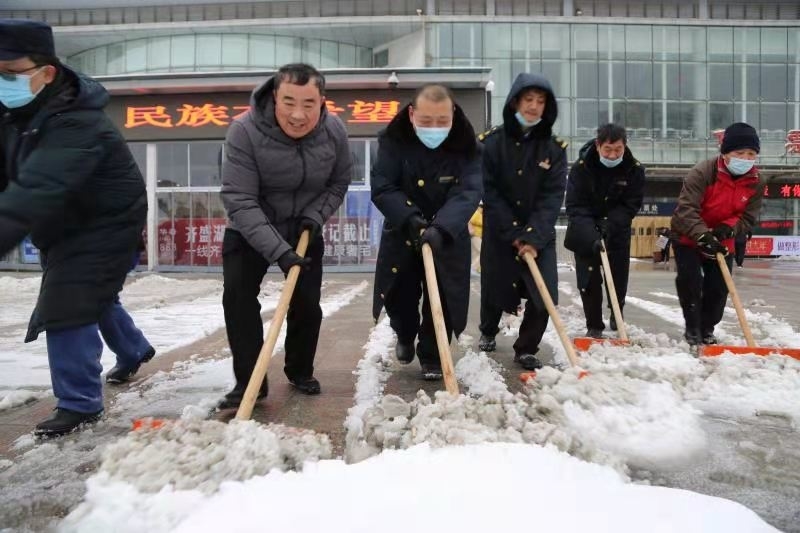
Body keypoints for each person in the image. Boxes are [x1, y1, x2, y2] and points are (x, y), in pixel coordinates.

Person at [0, 20, 152, 436]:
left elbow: (34, 190)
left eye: (9, 71)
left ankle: (79, 403)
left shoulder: (78, 122)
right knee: (93, 295)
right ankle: (135, 348)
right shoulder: (14, 116)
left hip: (108, 223)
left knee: (66, 301)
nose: (1, 81)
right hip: (62, 224)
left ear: (46, 72)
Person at [219, 63, 352, 408]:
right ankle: (250, 382)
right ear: (274, 97)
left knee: (307, 303)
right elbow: (240, 200)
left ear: (322, 101)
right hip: (250, 228)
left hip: (304, 226)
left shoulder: (334, 131)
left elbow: (338, 183)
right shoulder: (244, 131)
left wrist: (315, 215)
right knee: (238, 299)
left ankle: (300, 370)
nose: (297, 114)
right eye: (288, 102)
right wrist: (279, 251)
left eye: (309, 104)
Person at [371, 84, 482, 380]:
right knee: (400, 296)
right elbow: (383, 186)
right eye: (426, 121)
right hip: (403, 230)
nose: (435, 128)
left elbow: (468, 192)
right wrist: (411, 218)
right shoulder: (393, 142)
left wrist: (441, 226)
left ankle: (433, 356)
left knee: (444, 297)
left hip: (448, 235)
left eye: (442, 121)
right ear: (412, 114)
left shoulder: (467, 146)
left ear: (453, 114)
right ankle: (405, 334)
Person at [477, 73, 568, 370]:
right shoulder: (491, 144)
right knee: (495, 289)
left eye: (540, 102)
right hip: (500, 233)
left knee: (544, 295)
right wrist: (514, 232)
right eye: (528, 99)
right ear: (516, 101)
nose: (534, 106)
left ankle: (527, 347)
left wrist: (533, 236)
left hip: (539, 235)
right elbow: (489, 192)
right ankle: (488, 330)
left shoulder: (554, 149)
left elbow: (552, 196)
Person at [670, 122, 766, 347]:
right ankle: (693, 329)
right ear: (725, 153)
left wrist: (729, 228)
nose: (746, 158)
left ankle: (707, 328)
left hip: (724, 239)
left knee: (718, 290)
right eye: (739, 152)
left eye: (751, 153)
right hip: (689, 236)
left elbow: (748, 217)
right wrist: (703, 236)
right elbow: (687, 209)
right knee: (691, 282)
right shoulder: (703, 172)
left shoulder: (756, 182)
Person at [564, 123, 645, 338]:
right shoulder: (582, 167)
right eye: (608, 149)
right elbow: (574, 205)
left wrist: (610, 224)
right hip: (585, 231)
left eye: (618, 150)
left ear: (625, 147)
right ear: (598, 146)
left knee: (618, 277)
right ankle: (594, 323)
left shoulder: (634, 169)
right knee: (588, 279)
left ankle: (617, 313)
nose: (612, 155)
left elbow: (631, 204)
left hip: (617, 231)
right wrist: (592, 233)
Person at [468, 203, 483, 274]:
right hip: (475, 236)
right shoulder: (476, 213)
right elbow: (473, 220)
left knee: (475, 253)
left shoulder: (480, 214)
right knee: (480, 251)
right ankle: (473, 268)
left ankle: (475, 269)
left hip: (478, 236)